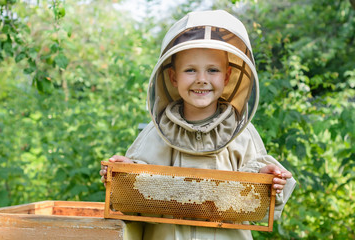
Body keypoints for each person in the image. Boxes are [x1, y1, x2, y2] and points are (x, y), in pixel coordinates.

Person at [100, 10, 296, 240]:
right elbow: (134, 204)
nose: (201, 78)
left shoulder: (241, 133)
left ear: (227, 76)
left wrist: (267, 178)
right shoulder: (157, 132)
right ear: (173, 77)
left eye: (212, 70)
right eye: (190, 70)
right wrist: (124, 173)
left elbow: (257, 204)